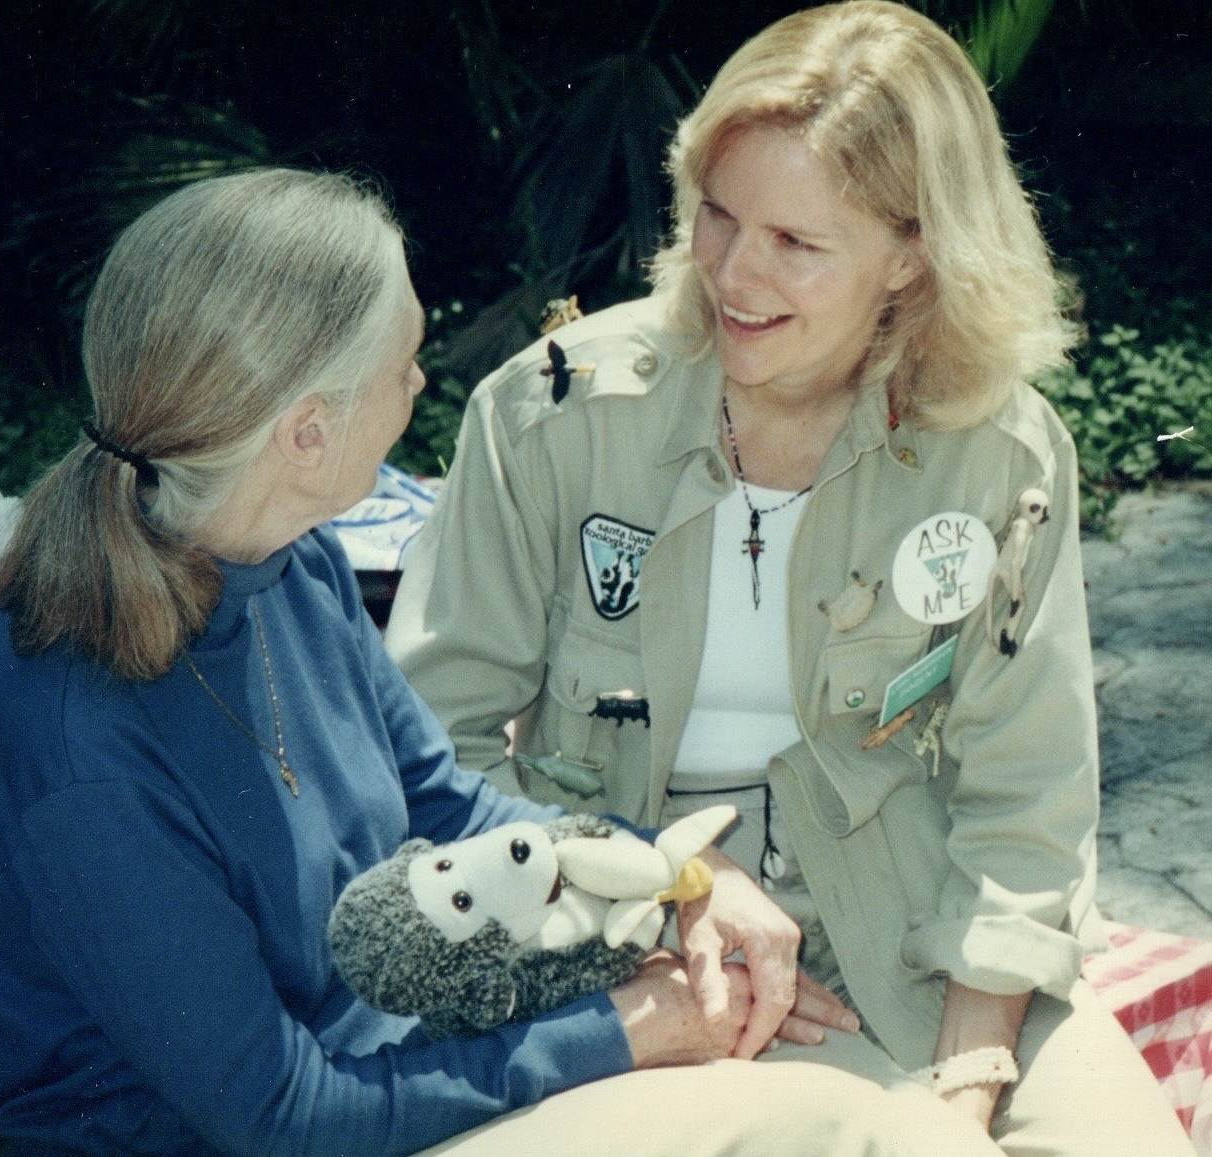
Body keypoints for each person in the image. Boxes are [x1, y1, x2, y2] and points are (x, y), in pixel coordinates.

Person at [0, 168, 1000, 1157]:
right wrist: (621, 1029)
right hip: (269, 1132)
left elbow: (444, 803)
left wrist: (678, 873)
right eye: (402, 363)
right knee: (835, 1126)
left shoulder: (285, 559)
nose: (420, 377)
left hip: (390, 1066)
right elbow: (282, 1114)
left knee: (850, 1112)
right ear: (305, 434)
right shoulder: (74, 736)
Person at [385, 5, 1198, 1155]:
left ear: (912, 256)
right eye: (716, 214)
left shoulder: (997, 453)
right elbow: (426, 757)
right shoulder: (550, 416)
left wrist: (969, 1075)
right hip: (633, 946)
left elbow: (1027, 799)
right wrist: (661, 878)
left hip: (929, 946)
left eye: (795, 243)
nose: (731, 273)